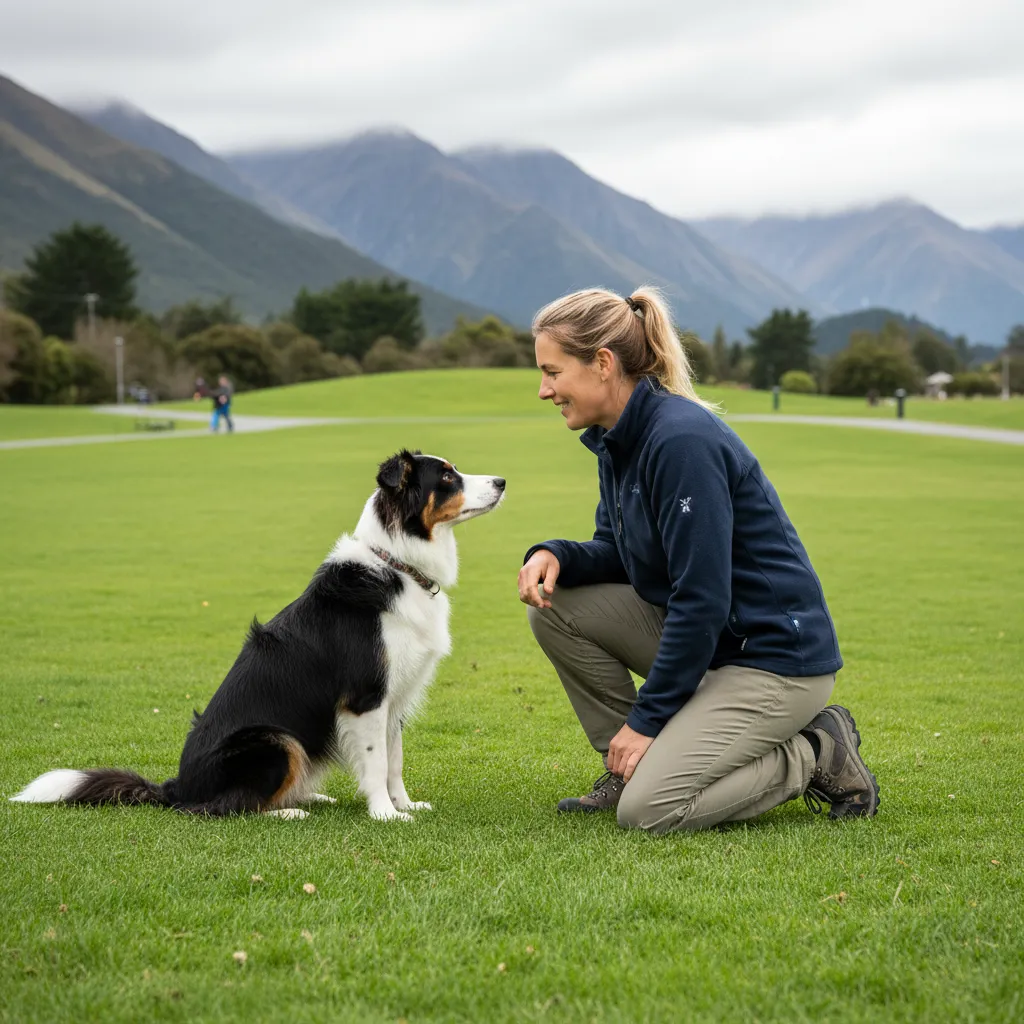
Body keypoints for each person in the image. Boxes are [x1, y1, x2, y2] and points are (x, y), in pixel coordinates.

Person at [518, 287, 879, 835]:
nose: (544, 390)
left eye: (552, 371)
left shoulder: (680, 440)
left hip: (773, 661)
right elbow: (618, 553)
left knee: (648, 812)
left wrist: (646, 721)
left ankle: (814, 752)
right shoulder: (618, 440)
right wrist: (555, 555)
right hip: (716, 648)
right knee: (554, 605)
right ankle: (627, 769)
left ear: (603, 364)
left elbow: (702, 599)